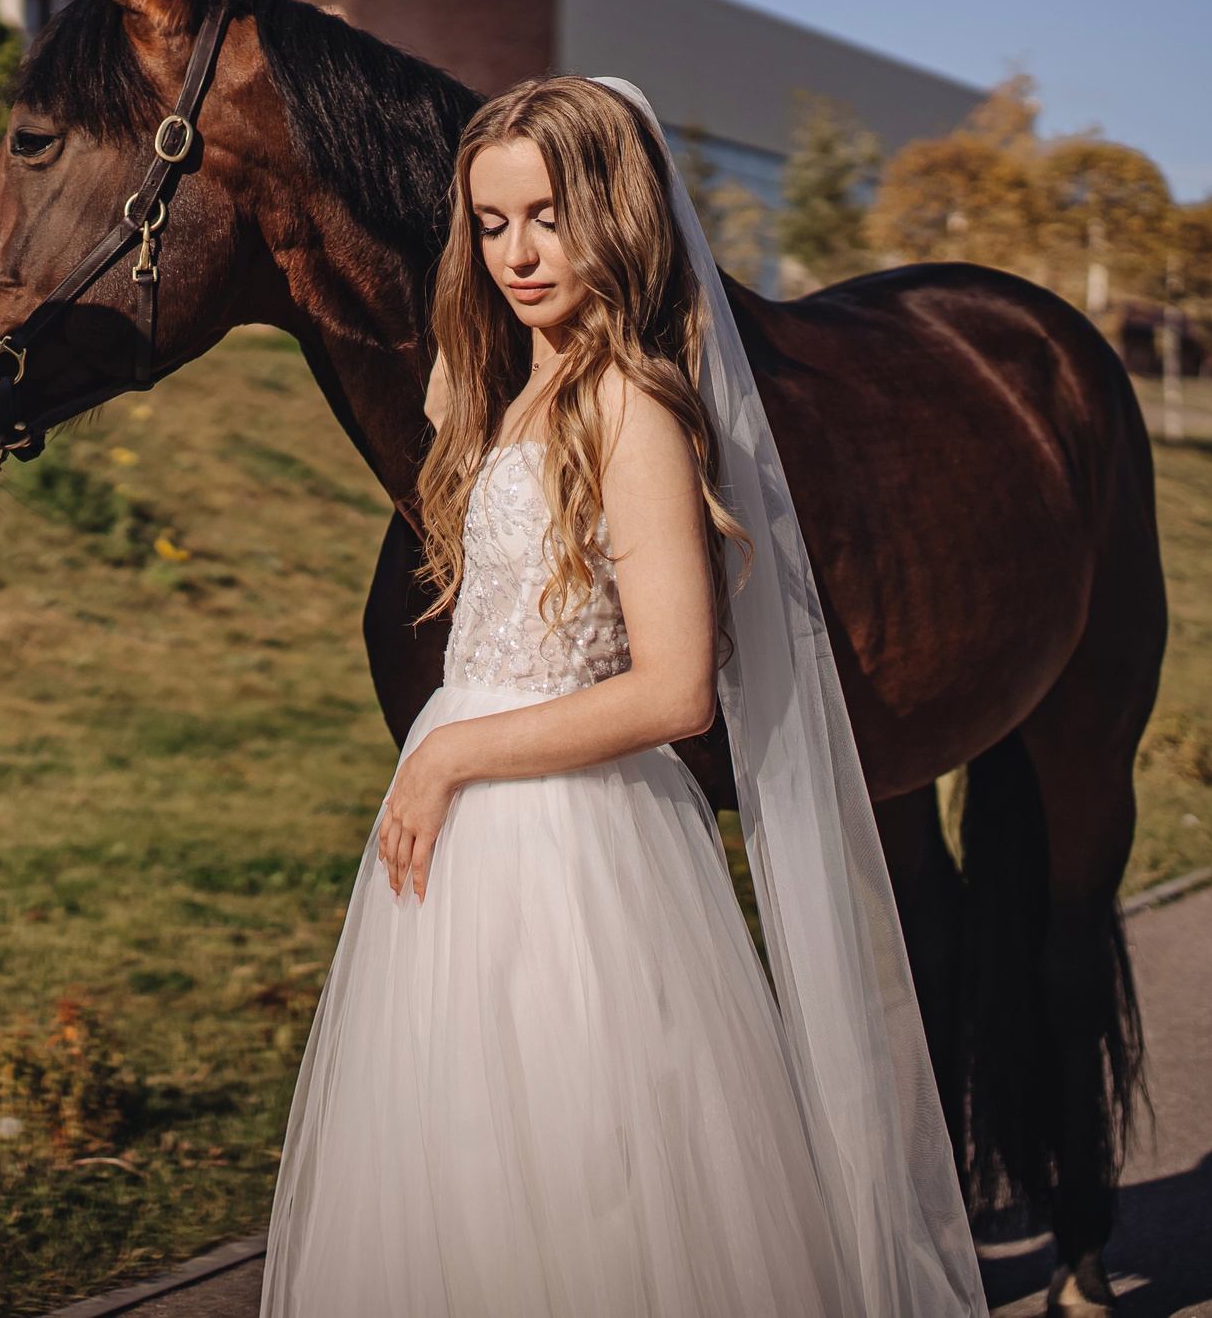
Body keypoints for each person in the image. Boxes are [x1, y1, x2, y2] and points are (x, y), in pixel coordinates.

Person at [262, 77, 985, 1316]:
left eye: (546, 215)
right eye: (490, 225)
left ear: (615, 211)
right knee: (463, 1171)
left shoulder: (631, 407)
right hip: (462, 853)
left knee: (589, 1178)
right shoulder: (504, 385)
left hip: (569, 841)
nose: (518, 255)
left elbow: (674, 692)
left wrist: (446, 757)